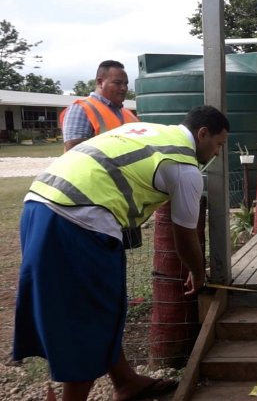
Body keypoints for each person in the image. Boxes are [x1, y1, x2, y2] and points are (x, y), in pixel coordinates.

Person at [14, 105, 230, 401]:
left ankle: (125, 381)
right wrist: (197, 272)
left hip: (38, 206)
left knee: (100, 307)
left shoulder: (150, 130)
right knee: (89, 316)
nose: (218, 153)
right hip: (79, 221)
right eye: (219, 144)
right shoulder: (183, 167)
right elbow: (185, 235)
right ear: (202, 133)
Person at [61, 60, 138, 152]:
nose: (123, 88)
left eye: (126, 84)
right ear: (100, 82)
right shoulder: (81, 109)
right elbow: (75, 154)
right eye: (117, 83)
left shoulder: (128, 113)